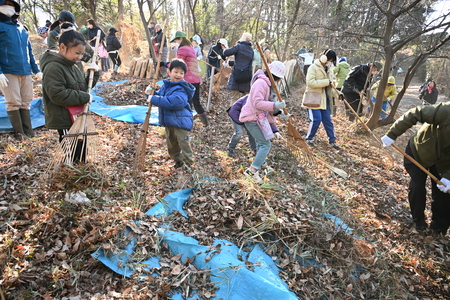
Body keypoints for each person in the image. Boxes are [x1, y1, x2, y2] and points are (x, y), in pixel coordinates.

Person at [381, 103, 450, 234]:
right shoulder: (446, 111)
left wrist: (448, 177)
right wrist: (392, 134)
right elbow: (415, 113)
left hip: (444, 163)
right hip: (419, 151)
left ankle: (438, 228)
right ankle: (418, 221)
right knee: (417, 185)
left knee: (444, 194)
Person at [40, 23, 100, 162]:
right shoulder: (54, 67)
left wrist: (94, 73)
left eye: (81, 54)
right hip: (65, 119)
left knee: (81, 148)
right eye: (77, 53)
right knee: (72, 151)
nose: (79, 57)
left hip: (77, 116)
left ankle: (80, 169)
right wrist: (84, 97)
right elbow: (57, 94)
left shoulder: (72, 65)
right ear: (62, 48)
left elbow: (84, 87)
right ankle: (72, 173)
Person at [0, 0, 42, 140]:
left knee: (26, 101)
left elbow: (29, 50)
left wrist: (36, 70)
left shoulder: (21, 28)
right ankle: (20, 134)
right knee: (13, 102)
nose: (9, 7)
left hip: (25, 70)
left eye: (12, 5)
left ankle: (29, 132)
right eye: (5, 4)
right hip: (8, 70)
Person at [239, 61, 287, 182]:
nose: (278, 81)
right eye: (278, 78)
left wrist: (280, 112)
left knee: (262, 144)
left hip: (259, 118)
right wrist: (274, 104)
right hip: (252, 118)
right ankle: (252, 171)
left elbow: (268, 107)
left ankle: (260, 163)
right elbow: (257, 103)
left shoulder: (269, 86)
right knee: (266, 144)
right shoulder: (261, 83)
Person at [147, 58, 195, 169]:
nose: (178, 75)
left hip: (181, 122)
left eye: (181, 73)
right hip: (169, 121)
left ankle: (189, 165)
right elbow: (160, 97)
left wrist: (153, 99)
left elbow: (173, 102)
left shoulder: (181, 89)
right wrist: (150, 93)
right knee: (171, 144)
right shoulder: (166, 85)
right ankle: (178, 161)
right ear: (169, 72)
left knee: (183, 144)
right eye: (176, 72)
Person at [302, 49, 340, 150]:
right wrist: (326, 82)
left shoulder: (329, 70)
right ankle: (309, 138)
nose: (330, 62)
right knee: (316, 120)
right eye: (330, 60)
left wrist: (338, 94)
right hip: (313, 99)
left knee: (328, 121)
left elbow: (330, 87)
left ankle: (332, 140)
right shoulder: (313, 67)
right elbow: (310, 82)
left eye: (332, 61)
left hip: (325, 100)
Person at [170, 31, 209, 126]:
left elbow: (178, 64)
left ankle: (186, 122)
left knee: (186, 102)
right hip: (195, 78)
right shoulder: (191, 48)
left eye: (177, 39)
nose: (176, 41)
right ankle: (206, 123)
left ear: (181, 39)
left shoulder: (183, 49)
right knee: (196, 102)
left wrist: (168, 67)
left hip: (188, 79)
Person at [223, 32, 254, 102]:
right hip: (246, 76)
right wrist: (229, 63)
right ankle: (245, 112)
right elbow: (244, 63)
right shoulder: (251, 50)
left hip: (237, 75)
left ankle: (232, 112)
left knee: (234, 98)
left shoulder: (239, 46)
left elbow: (225, 53)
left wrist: (225, 47)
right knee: (247, 99)